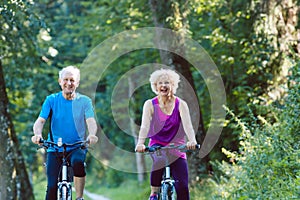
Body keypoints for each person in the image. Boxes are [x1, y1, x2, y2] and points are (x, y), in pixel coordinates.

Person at [31, 66, 98, 200]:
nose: (69, 83)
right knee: (51, 188)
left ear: (77, 83)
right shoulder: (51, 100)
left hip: (77, 146)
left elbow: (91, 121)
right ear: (60, 81)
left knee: (78, 163)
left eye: (72, 80)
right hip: (54, 148)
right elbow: (40, 121)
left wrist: (92, 134)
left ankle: (79, 197)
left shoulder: (85, 101)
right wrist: (37, 134)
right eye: (65, 80)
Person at [135, 68, 198, 200]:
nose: (164, 86)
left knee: (183, 188)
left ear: (173, 85)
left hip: (177, 146)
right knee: (159, 160)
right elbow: (145, 126)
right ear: (156, 86)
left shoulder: (181, 104)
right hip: (157, 145)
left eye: (167, 83)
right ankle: (154, 193)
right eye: (160, 83)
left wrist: (192, 140)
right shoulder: (150, 104)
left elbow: (188, 125)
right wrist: (141, 143)